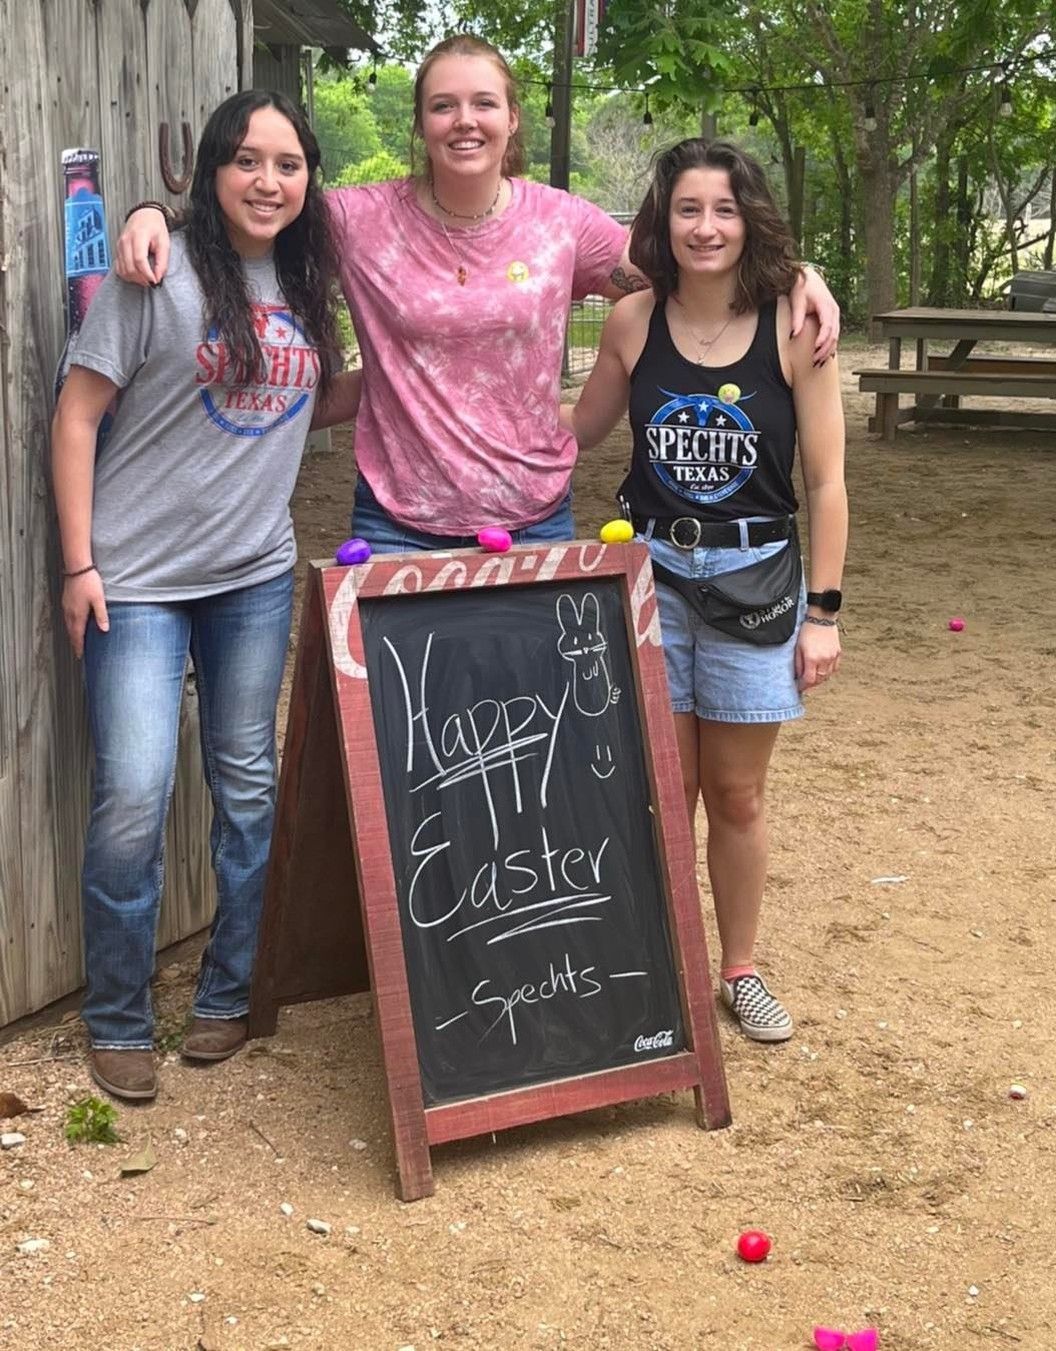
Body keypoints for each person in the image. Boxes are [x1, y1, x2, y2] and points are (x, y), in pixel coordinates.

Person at [114, 36, 841, 553]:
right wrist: (152, 212)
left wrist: (795, 275)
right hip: (396, 522)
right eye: (443, 105)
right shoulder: (359, 220)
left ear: (512, 118)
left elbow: (693, 262)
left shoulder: (564, 224)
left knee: (528, 736)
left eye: (484, 103)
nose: (465, 120)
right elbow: (253, 209)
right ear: (422, 123)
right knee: (403, 751)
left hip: (534, 514)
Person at [52, 90, 360, 1102]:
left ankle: (229, 997)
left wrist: (427, 373)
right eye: (246, 160)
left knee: (248, 787)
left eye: (287, 163)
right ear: (211, 171)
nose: (268, 181)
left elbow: (304, 405)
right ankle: (118, 1017)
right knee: (135, 794)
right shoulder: (157, 271)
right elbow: (75, 416)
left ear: (309, 177)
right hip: (133, 584)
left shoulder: (313, 283)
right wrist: (78, 565)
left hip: (254, 578)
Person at [561, 139, 848, 1042]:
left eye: (724, 209)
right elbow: (574, 436)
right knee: (659, 791)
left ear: (748, 219)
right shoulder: (633, 322)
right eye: (688, 209)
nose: (706, 227)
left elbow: (829, 483)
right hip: (649, 581)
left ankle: (740, 968)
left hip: (754, 581)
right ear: (663, 220)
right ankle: (660, 962)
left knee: (737, 795)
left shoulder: (795, 325)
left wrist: (824, 614)